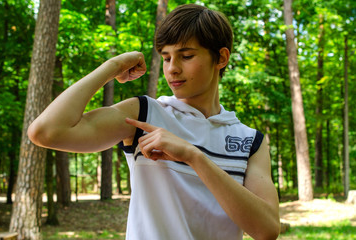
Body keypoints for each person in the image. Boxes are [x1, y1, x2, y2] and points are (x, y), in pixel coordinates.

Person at [28, 4, 280, 240]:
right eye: (167, 57)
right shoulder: (145, 114)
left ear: (221, 58)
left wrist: (193, 156)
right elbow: (46, 131)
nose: (172, 69)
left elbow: (267, 229)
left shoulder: (250, 141)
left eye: (186, 56)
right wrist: (112, 66)